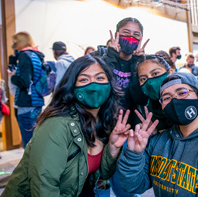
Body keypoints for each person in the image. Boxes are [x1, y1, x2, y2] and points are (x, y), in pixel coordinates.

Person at [1, 55, 130, 196]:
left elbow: (103, 175)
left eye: (99, 78)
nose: (93, 86)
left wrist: (112, 149)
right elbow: (44, 187)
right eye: (84, 79)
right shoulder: (57, 124)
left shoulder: (104, 121)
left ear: (110, 84)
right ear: (72, 87)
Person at [118, 72, 198, 196]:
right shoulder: (158, 141)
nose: (175, 100)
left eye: (182, 92)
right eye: (167, 98)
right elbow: (133, 186)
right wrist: (134, 153)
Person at [103, 17, 148, 197]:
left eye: (136, 35)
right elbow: (103, 90)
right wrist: (111, 56)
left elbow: (140, 97)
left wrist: (138, 63)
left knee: (125, 184)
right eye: (126, 34)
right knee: (101, 179)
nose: (131, 38)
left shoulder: (142, 65)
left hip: (130, 131)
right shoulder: (104, 59)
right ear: (117, 35)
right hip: (105, 129)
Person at [136, 55, 198, 132]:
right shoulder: (148, 110)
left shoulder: (194, 94)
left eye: (155, 73)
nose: (150, 82)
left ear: (169, 72)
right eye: (143, 79)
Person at [7, 32, 44, 148]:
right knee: (35, 137)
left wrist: (12, 76)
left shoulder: (24, 56)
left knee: (28, 141)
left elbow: (24, 82)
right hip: (36, 100)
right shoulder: (35, 54)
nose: (13, 44)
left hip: (27, 102)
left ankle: (30, 165)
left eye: (15, 42)